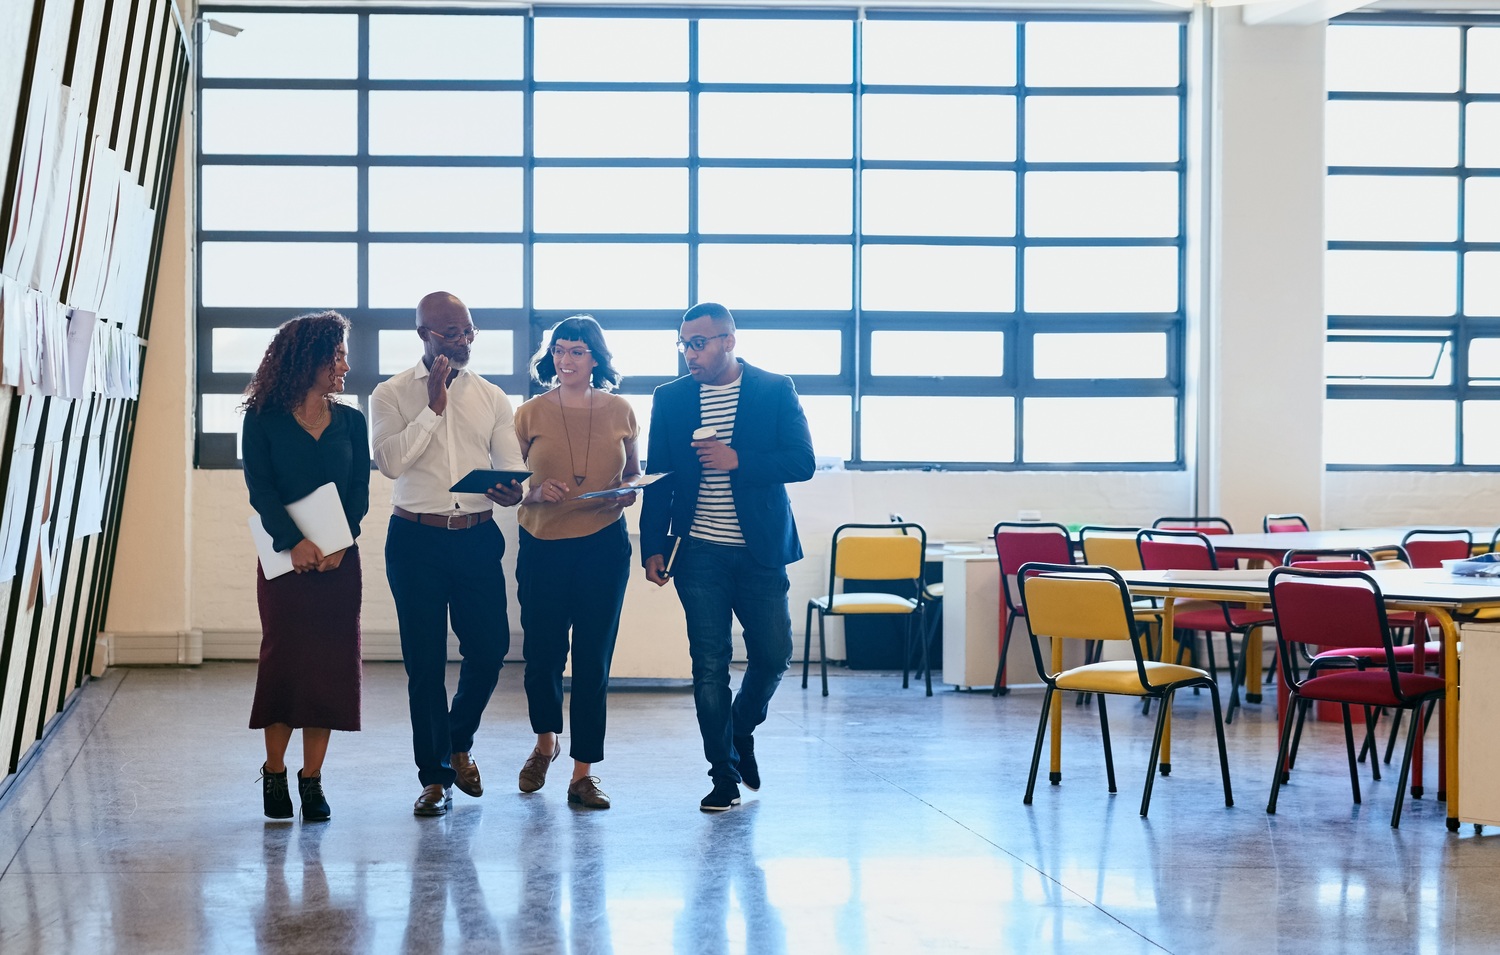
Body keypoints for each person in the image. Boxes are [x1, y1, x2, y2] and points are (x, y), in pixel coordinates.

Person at [640, 302, 816, 811]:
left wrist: (738, 460)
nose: (690, 354)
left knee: (774, 655)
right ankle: (722, 775)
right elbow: (659, 477)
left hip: (760, 552)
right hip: (698, 553)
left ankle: (741, 729)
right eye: (684, 344)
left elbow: (802, 461)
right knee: (709, 664)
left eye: (699, 343)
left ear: (728, 341)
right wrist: (653, 545)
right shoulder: (671, 398)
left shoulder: (773, 389)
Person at [371, 291, 525, 817]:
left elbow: (509, 465)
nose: (463, 341)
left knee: (490, 649)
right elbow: (391, 463)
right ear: (424, 335)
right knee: (425, 663)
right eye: (451, 333)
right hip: (415, 540)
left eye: (468, 331)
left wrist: (513, 490)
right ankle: (435, 778)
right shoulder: (390, 393)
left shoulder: (492, 396)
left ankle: (457, 741)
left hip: (477, 537)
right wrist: (433, 408)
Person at [242, 310, 369, 822]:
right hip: (285, 564)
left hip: (340, 566)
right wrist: (293, 541)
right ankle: (274, 770)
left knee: (330, 669)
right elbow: (261, 490)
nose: (345, 366)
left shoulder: (352, 422)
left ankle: (311, 778)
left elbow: (359, 492)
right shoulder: (262, 419)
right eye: (336, 356)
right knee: (285, 663)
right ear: (308, 359)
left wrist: (341, 542)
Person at [513, 316, 640, 810]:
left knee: (593, 660)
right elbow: (506, 484)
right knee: (543, 655)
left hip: (603, 547)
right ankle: (545, 744)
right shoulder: (528, 414)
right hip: (542, 544)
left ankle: (583, 773)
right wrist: (534, 491)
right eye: (559, 350)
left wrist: (628, 492)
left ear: (595, 359)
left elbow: (633, 473)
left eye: (577, 352)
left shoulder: (621, 410)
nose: (565, 360)